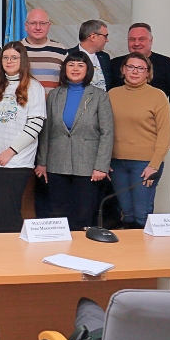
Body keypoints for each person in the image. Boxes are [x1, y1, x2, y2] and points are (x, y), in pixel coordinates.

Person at [35, 52, 114, 230]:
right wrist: (42, 162)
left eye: (80, 65)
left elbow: (107, 132)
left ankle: (80, 246)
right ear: (64, 69)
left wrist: (101, 166)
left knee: (83, 213)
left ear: (88, 70)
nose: (75, 69)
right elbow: (46, 131)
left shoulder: (100, 96)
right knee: (57, 211)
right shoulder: (54, 95)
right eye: (71, 65)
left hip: (88, 165)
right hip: (57, 163)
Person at [0, 41, 45, 233]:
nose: (9, 61)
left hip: (17, 160)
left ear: (23, 61)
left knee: (7, 214)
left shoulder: (34, 87)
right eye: (5, 57)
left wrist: (10, 152)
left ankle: (10, 252)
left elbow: (35, 124)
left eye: (14, 57)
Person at [109, 52, 170, 228]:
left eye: (140, 68)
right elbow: (104, 129)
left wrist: (154, 165)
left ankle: (144, 245)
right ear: (123, 70)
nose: (135, 71)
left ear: (148, 72)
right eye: (130, 67)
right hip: (117, 163)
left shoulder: (157, 96)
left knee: (141, 214)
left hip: (145, 164)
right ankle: (130, 246)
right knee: (126, 212)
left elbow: (165, 134)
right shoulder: (112, 94)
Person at [20, 8, 68, 219]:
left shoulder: (61, 51)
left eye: (42, 23)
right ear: (26, 26)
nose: (37, 27)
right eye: (33, 23)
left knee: (48, 172)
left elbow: (66, 84)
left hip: (53, 121)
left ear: (49, 26)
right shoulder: (16, 50)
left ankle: (48, 220)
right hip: (21, 121)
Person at [111, 23, 170, 151]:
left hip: (153, 132)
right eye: (132, 39)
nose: (136, 43)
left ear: (151, 40)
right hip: (120, 132)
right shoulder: (114, 64)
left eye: (142, 39)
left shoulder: (167, 64)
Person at [69, 19, 112, 91]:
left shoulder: (104, 57)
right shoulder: (68, 55)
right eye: (105, 36)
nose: (107, 40)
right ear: (93, 37)